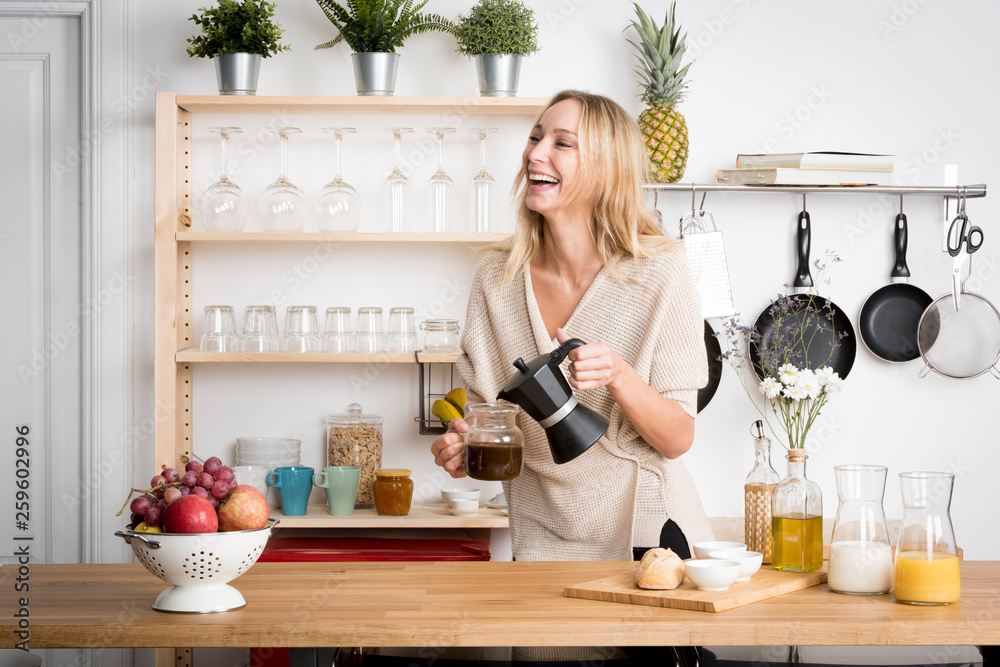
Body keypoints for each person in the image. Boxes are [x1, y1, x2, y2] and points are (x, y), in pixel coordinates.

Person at [430, 89, 714, 564]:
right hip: (540, 536)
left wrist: (619, 375)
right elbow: (487, 418)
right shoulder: (496, 279)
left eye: (562, 143)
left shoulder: (661, 271)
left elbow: (677, 438)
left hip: (647, 530)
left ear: (606, 169)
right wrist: (463, 447)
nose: (534, 154)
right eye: (535, 137)